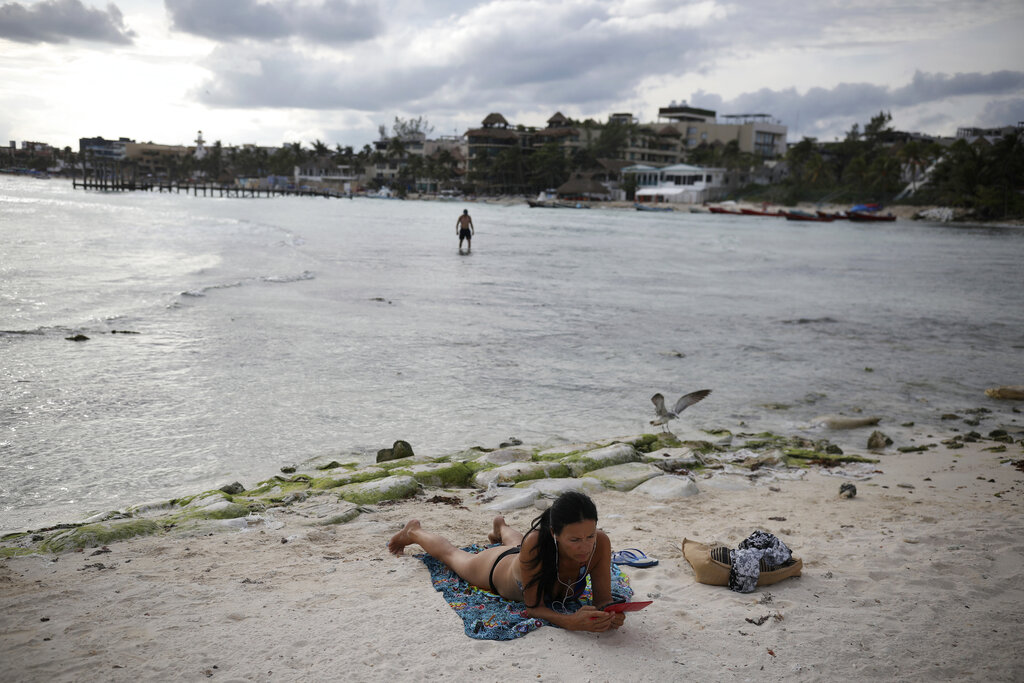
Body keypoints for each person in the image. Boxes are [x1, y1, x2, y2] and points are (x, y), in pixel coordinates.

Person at [387, 491, 625, 632]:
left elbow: (603, 599)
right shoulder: (537, 544)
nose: (585, 546)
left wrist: (610, 613)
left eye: (590, 536)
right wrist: (572, 622)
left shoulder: (600, 543)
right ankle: (414, 532)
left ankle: (500, 526)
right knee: (453, 555)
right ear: (554, 533)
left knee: (518, 545)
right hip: (497, 569)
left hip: (523, 554)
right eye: (575, 539)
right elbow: (533, 607)